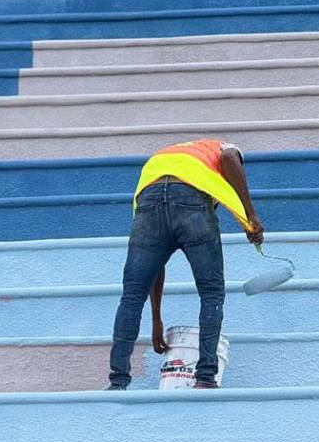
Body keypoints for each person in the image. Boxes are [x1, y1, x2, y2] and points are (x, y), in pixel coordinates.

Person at [107, 139, 264, 390]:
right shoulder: (223, 147)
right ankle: (205, 377)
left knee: (132, 295)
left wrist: (156, 320)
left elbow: (154, 263)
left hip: (149, 199)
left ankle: (118, 381)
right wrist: (251, 216)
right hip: (190, 199)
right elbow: (229, 158)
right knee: (211, 292)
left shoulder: (167, 156)